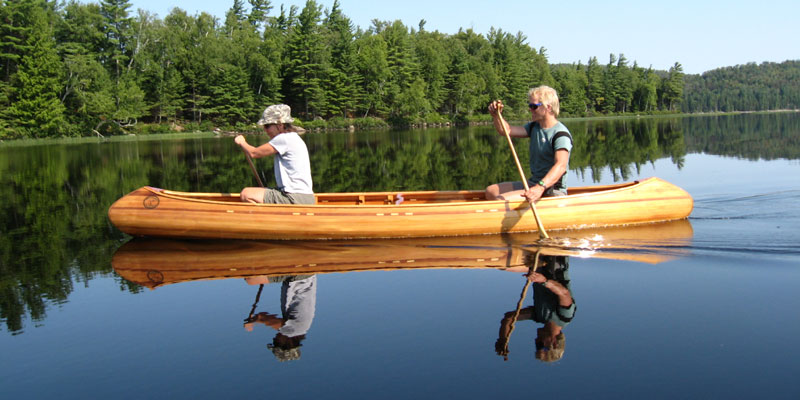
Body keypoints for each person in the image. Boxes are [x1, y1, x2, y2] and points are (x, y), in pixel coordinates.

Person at [485, 86, 572, 202]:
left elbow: (560, 166)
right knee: (491, 191)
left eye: (534, 106)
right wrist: (496, 116)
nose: (530, 109)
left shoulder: (560, 134)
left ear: (548, 107)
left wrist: (540, 187)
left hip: (551, 189)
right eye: (530, 106)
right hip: (533, 184)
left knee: (500, 200)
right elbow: (506, 130)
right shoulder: (534, 127)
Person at [495, 253, 576, 362]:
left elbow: (509, 318)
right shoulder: (564, 317)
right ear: (554, 343)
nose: (536, 340)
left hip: (537, 266)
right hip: (555, 258)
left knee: (500, 265)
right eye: (539, 345)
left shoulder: (539, 316)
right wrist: (544, 281)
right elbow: (564, 294)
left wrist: (503, 340)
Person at [234, 104, 315, 204]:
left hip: (293, 197)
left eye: (267, 126)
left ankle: (266, 218)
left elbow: (254, 153)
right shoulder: (293, 137)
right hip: (305, 197)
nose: (265, 130)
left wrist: (242, 142)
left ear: (280, 125)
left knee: (246, 193)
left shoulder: (284, 138)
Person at [243, 274, 317, 362]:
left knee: (254, 279)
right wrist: (255, 320)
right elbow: (264, 317)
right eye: (277, 343)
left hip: (299, 277)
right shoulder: (295, 330)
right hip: (298, 277)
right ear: (289, 343)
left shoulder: (301, 328)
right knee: (251, 280)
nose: (274, 339)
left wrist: (256, 320)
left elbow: (266, 318)